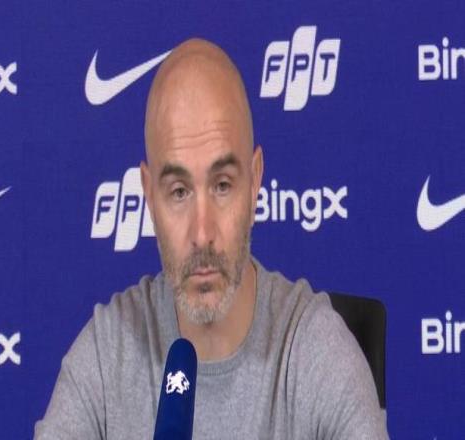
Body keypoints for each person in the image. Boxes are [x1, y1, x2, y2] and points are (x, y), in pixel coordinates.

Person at [35, 38, 388, 439]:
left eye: (222, 185)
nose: (202, 233)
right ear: (149, 195)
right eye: (179, 192)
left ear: (254, 181)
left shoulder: (316, 353)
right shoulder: (106, 354)